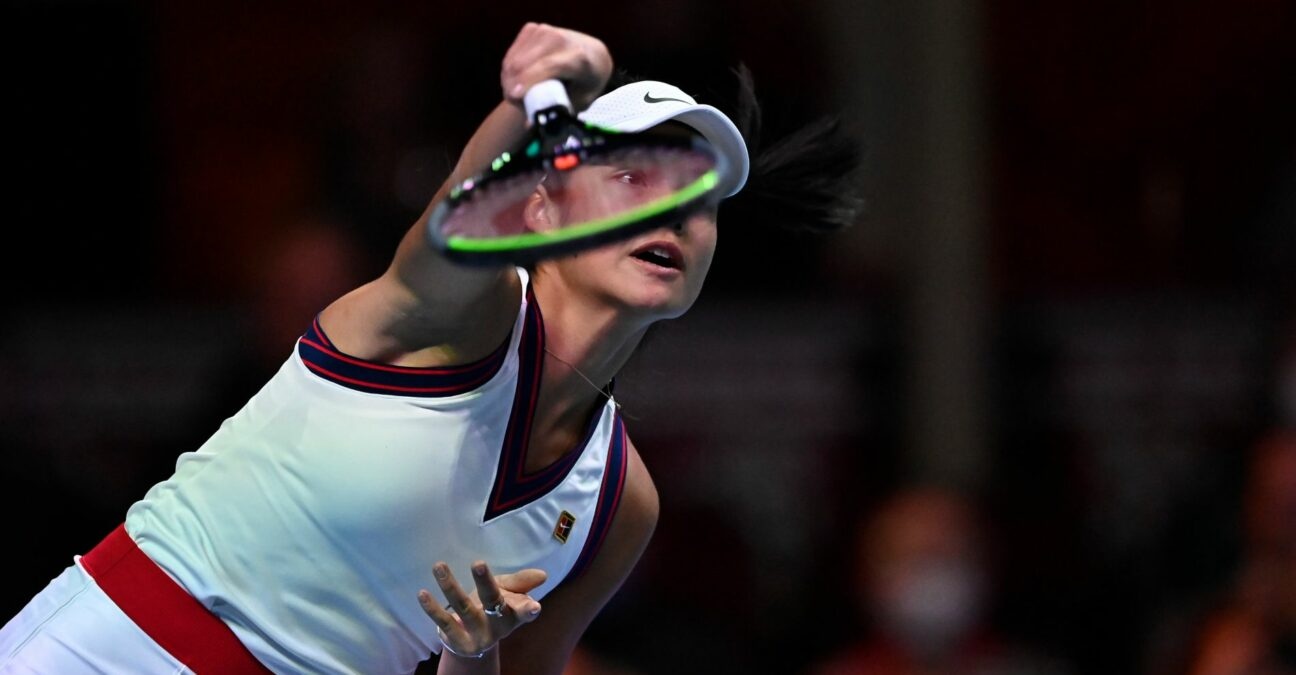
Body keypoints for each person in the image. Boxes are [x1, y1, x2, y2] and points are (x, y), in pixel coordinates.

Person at [1, 21, 861, 675]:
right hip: (108, 650)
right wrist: (543, 90)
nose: (672, 213)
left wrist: (471, 654)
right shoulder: (458, 315)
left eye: (697, 198)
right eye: (633, 176)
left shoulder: (619, 504)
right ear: (540, 207)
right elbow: (456, 222)